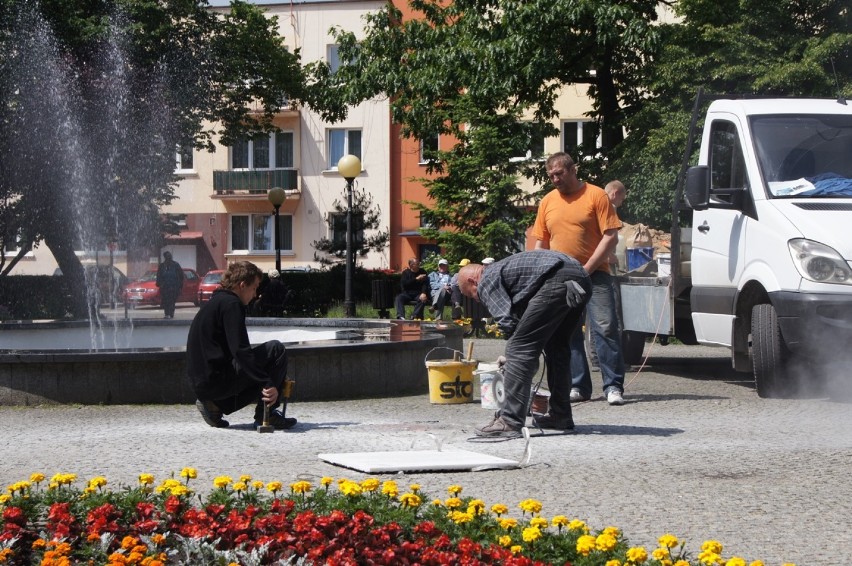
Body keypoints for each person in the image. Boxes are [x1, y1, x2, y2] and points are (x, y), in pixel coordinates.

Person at [457, 250, 591, 438]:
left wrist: (511, 357)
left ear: (473, 281)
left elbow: (508, 322)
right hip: (580, 276)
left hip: (556, 277)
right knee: (557, 348)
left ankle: (510, 421)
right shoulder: (507, 272)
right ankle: (560, 416)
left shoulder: (486, 278)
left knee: (518, 349)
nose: (476, 299)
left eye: (471, 294)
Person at [532, 152, 626, 406]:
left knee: (605, 327)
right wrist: (539, 274)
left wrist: (586, 268)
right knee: (569, 331)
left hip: (596, 274)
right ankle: (579, 386)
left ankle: (613, 386)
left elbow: (610, 237)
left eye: (559, 174)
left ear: (573, 170)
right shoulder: (548, 202)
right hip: (561, 277)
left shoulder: (596, 195)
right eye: (551, 175)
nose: (554, 180)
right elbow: (541, 242)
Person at [186, 260, 296, 430]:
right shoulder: (232, 304)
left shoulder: (216, 302)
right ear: (242, 285)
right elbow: (241, 350)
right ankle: (266, 415)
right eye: (254, 288)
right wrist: (268, 382)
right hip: (216, 381)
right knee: (276, 350)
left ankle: (215, 406)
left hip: (204, 385)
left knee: (259, 371)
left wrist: (268, 378)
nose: (255, 294)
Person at [155, 251, 184, 319]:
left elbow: (181, 276)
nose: (169, 257)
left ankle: (171, 314)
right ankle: (167, 313)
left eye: (170, 256)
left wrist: (180, 286)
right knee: (166, 300)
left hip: (174, 287)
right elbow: (159, 275)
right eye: (167, 256)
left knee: (172, 301)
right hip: (165, 287)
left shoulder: (175, 265)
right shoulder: (162, 266)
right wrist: (159, 284)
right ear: (165, 257)